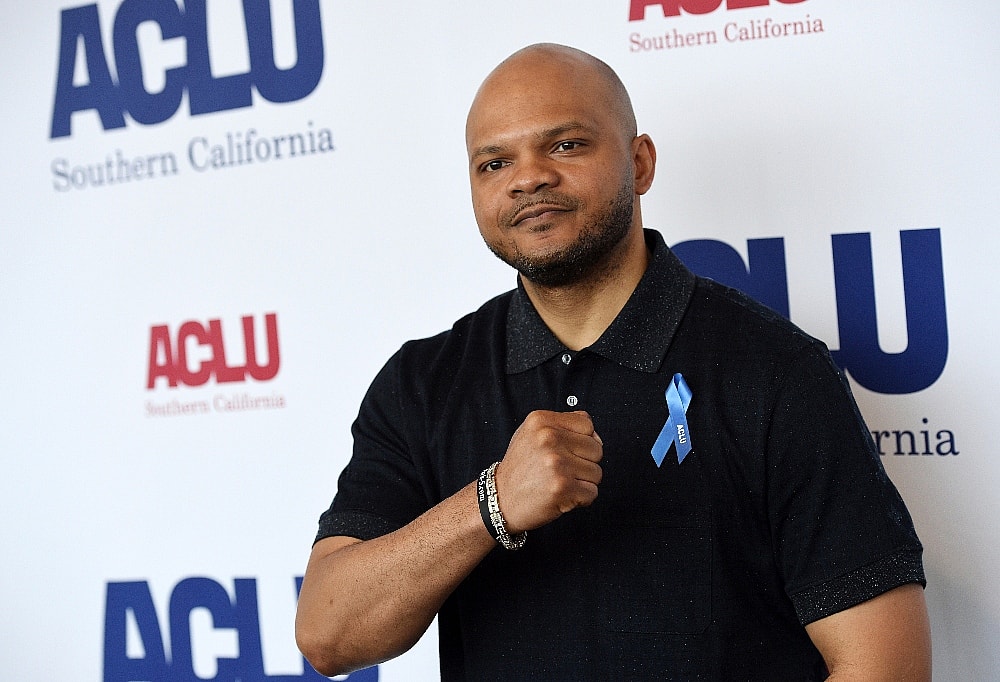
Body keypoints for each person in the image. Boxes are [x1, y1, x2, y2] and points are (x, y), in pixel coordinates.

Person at [295, 43, 931, 680]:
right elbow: (329, 635)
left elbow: (884, 666)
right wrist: (492, 505)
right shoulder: (424, 383)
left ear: (640, 161)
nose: (528, 178)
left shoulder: (776, 370)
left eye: (566, 145)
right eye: (494, 162)